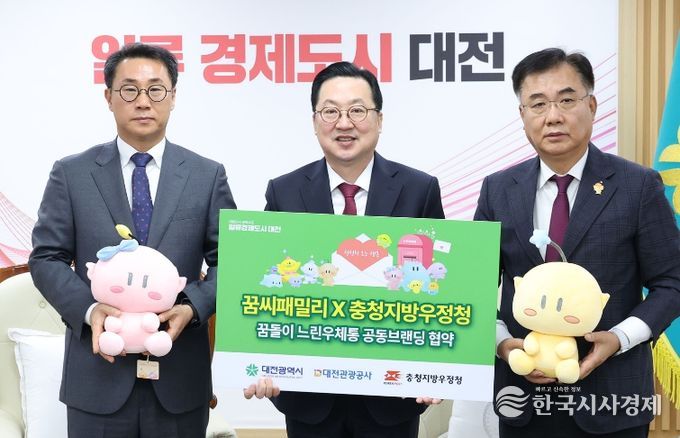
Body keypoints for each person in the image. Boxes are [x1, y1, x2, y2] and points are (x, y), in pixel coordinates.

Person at [29, 43, 236, 438]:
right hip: (97, 377)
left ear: (173, 97)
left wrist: (192, 307)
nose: (143, 101)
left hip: (179, 377)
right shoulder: (72, 174)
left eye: (156, 89)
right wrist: (90, 311)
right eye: (129, 89)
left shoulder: (206, 176)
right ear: (109, 97)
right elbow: (47, 258)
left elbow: (231, 260)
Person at [475, 47, 680, 437]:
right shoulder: (497, 190)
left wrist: (619, 339)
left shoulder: (637, 186)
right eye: (538, 104)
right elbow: (476, 289)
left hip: (613, 400)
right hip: (523, 400)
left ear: (592, 105)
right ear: (523, 115)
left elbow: (672, 283)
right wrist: (503, 345)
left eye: (566, 100)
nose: (553, 116)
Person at [243, 61, 444, 437]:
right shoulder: (284, 192)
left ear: (379, 119)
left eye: (357, 110)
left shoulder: (420, 189)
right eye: (331, 111)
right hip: (308, 397)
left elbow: (436, 287)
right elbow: (270, 285)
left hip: (393, 397)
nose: (344, 123)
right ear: (315, 120)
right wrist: (260, 363)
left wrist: (435, 370)